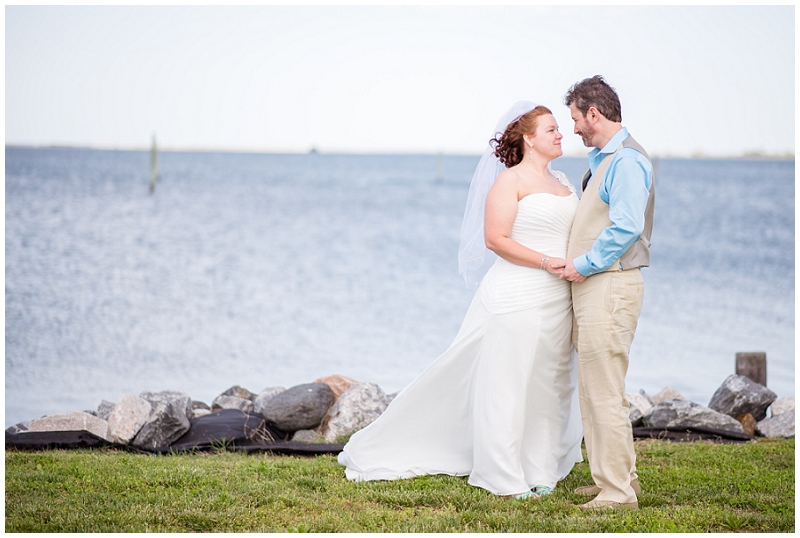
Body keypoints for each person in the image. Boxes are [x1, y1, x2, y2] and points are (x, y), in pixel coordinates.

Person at [337, 102, 583, 499]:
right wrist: (545, 261)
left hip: (559, 299)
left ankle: (541, 469)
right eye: (552, 129)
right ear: (528, 139)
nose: (560, 134)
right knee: (506, 385)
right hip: (517, 293)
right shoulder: (509, 182)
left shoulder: (565, 182)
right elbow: (495, 240)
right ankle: (502, 476)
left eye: (559, 128)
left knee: (550, 384)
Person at [554, 75, 655, 511]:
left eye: (575, 118)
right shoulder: (605, 159)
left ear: (593, 113)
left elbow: (627, 227)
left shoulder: (627, 161)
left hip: (610, 284)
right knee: (597, 390)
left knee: (603, 392)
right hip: (598, 287)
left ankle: (617, 494)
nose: (573, 128)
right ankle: (617, 479)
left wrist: (583, 263)